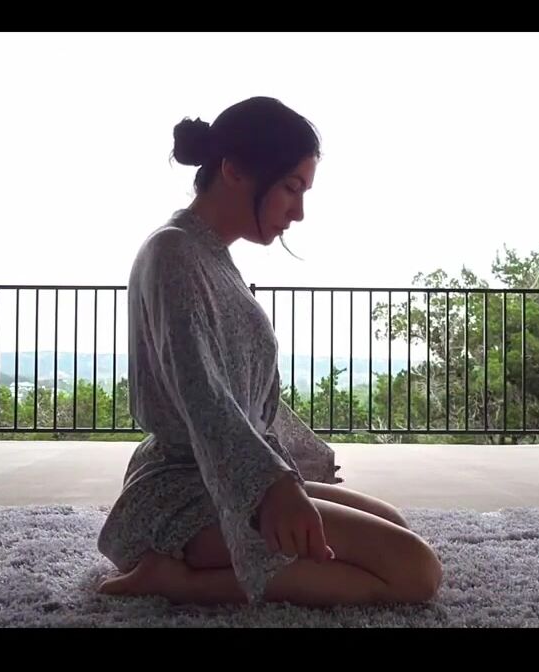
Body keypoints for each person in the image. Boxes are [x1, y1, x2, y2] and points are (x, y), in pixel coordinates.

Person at [96, 97, 442, 607]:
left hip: (221, 479)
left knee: (392, 524)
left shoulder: (211, 256)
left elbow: (244, 396)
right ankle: (176, 580)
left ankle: (210, 563)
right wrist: (275, 486)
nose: (298, 212)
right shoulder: (173, 252)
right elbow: (204, 396)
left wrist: (295, 463)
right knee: (414, 571)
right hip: (177, 494)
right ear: (234, 170)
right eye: (291, 188)